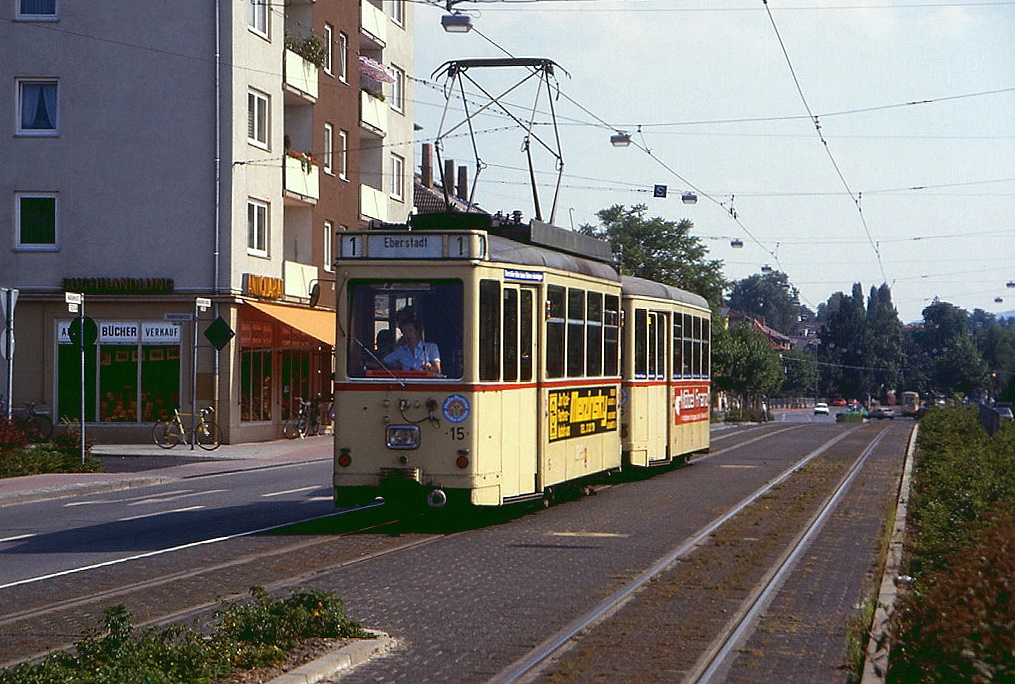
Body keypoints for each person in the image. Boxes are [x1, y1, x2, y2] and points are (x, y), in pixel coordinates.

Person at [383, 307, 441, 374]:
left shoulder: (431, 348)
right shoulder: (401, 351)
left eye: (410, 331)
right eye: (405, 331)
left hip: (425, 383)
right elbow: (382, 362)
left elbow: (438, 371)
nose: (408, 334)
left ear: (417, 332)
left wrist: (429, 366)